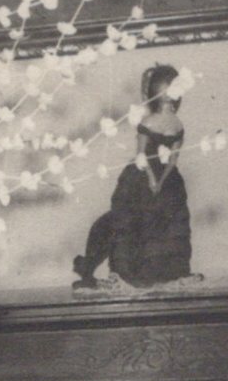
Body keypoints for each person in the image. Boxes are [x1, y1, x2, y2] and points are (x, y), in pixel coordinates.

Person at [73, 63, 195, 288]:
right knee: (138, 223)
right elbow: (153, 158)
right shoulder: (162, 124)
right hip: (149, 179)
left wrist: (158, 180)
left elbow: (161, 158)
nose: (170, 101)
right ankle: (132, 272)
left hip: (156, 180)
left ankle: (155, 274)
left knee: (157, 225)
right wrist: (157, 179)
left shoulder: (166, 124)